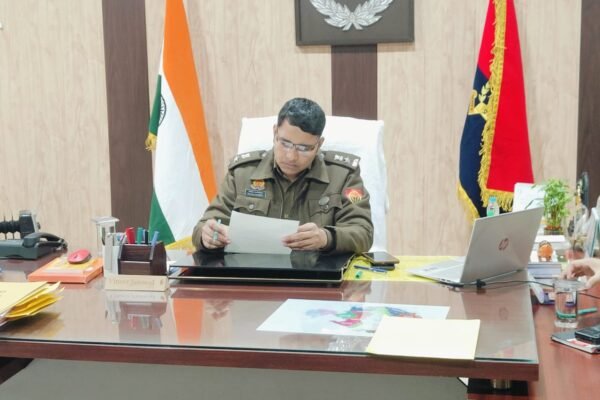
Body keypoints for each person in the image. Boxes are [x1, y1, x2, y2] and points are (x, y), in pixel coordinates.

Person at [192, 97, 373, 254]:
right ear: (274, 133)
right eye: (285, 143)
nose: (291, 156)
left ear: (319, 144)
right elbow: (205, 225)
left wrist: (326, 238)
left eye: (304, 148)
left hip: (316, 275)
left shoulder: (345, 177)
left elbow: (363, 232)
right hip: (252, 274)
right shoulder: (242, 174)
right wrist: (206, 236)